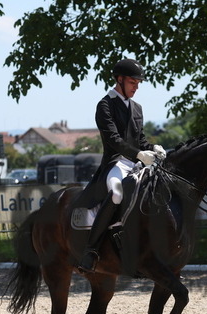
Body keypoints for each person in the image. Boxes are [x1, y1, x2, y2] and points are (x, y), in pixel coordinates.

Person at [78, 58, 166, 273]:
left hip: (137, 164)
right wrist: (138, 154)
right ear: (119, 80)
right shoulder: (105, 105)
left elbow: (140, 139)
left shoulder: (137, 108)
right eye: (133, 83)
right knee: (117, 194)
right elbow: (113, 140)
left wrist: (153, 147)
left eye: (138, 84)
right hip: (116, 164)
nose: (136, 88)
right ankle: (91, 250)